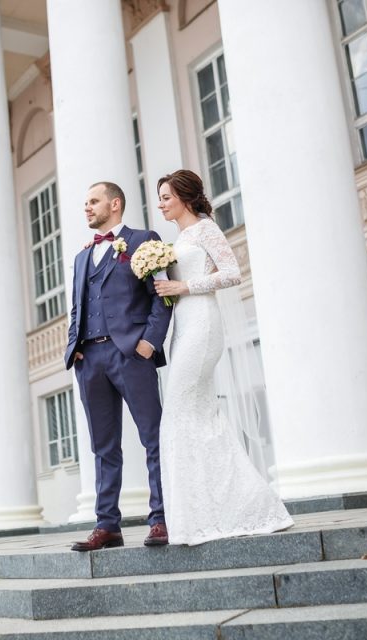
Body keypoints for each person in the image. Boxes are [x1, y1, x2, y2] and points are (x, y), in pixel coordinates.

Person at [153, 170, 293, 545]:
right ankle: (207, 509)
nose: (161, 203)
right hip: (183, 327)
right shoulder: (180, 237)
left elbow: (232, 273)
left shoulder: (205, 229)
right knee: (194, 414)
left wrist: (185, 285)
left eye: (166, 196)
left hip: (203, 323)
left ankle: (244, 503)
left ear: (184, 196)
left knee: (181, 412)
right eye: (160, 198)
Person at [65, 181, 173, 551]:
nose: (87, 208)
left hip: (130, 354)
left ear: (114, 204)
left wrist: (148, 343)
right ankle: (107, 524)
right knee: (103, 446)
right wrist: (74, 348)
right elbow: (78, 308)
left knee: (153, 436)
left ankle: (160, 518)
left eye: (92, 201)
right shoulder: (81, 257)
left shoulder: (144, 241)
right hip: (89, 359)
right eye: (85, 202)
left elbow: (162, 297)